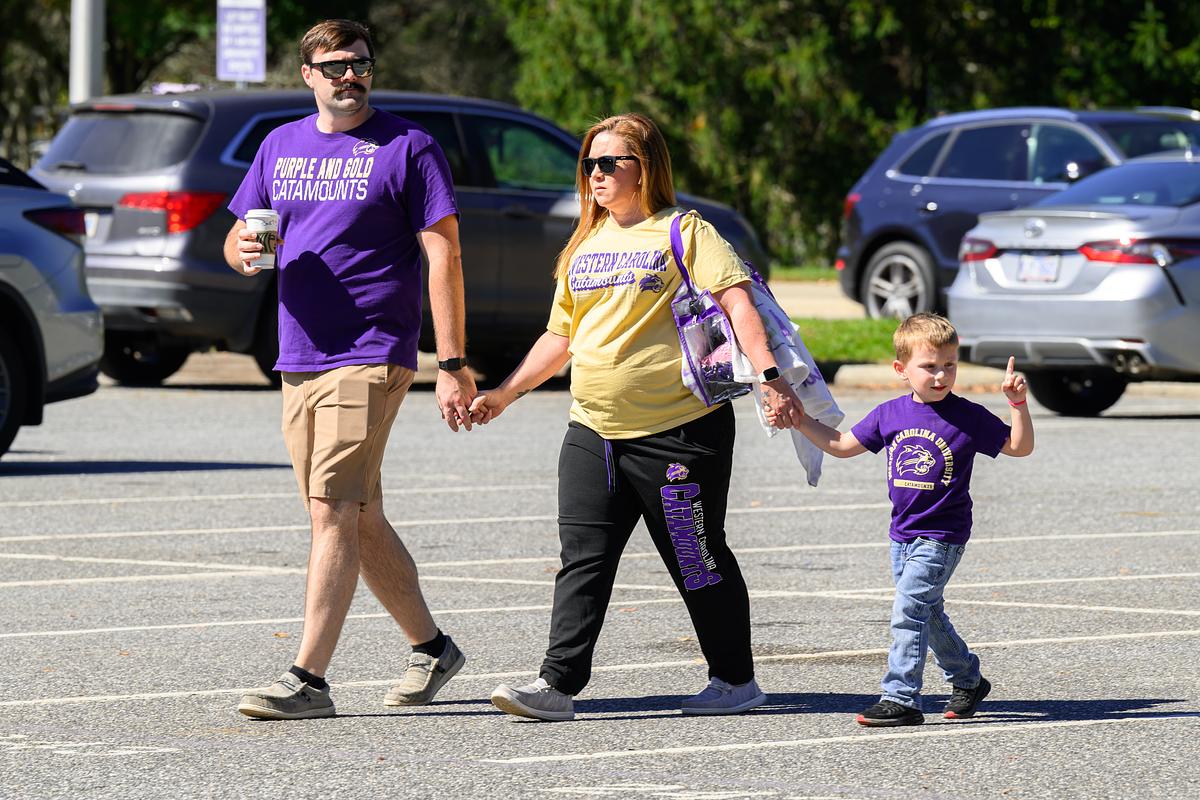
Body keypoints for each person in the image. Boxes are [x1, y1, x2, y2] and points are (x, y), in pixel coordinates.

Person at [469, 112, 803, 721]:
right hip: (592, 430)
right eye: (588, 164)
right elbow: (560, 335)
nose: (594, 174)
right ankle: (557, 685)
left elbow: (737, 301)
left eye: (608, 163)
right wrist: (505, 392)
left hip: (678, 432)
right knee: (584, 557)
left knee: (696, 557)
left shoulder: (683, 231)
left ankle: (735, 680)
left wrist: (771, 378)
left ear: (644, 168)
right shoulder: (584, 243)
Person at [222, 19, 476, 720]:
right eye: (333, 66)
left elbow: (444, 256)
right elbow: (242, 235)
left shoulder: (408, 146)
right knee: (354, 514)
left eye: (359, 64)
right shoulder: (279, 145)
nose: (348, 76)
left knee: (333, 506)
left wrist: (450, 362)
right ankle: (432, 648)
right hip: (298, 354)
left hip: (371, 351)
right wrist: (241, 251)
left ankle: (308, 679)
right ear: (307, 74)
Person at [772, 312, 1034, 726]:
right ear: (901, 369)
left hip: (942, 536)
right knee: (926, 613)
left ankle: (902, 698)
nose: (940, 375)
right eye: (929, 366)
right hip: (903, 535)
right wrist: (800, 419)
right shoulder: (889, 414)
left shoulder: (968, 416)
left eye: (949, 365)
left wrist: (1018, 404)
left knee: (908, 609)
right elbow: (841, 445)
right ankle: (968, 678)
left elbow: (1019, 447)